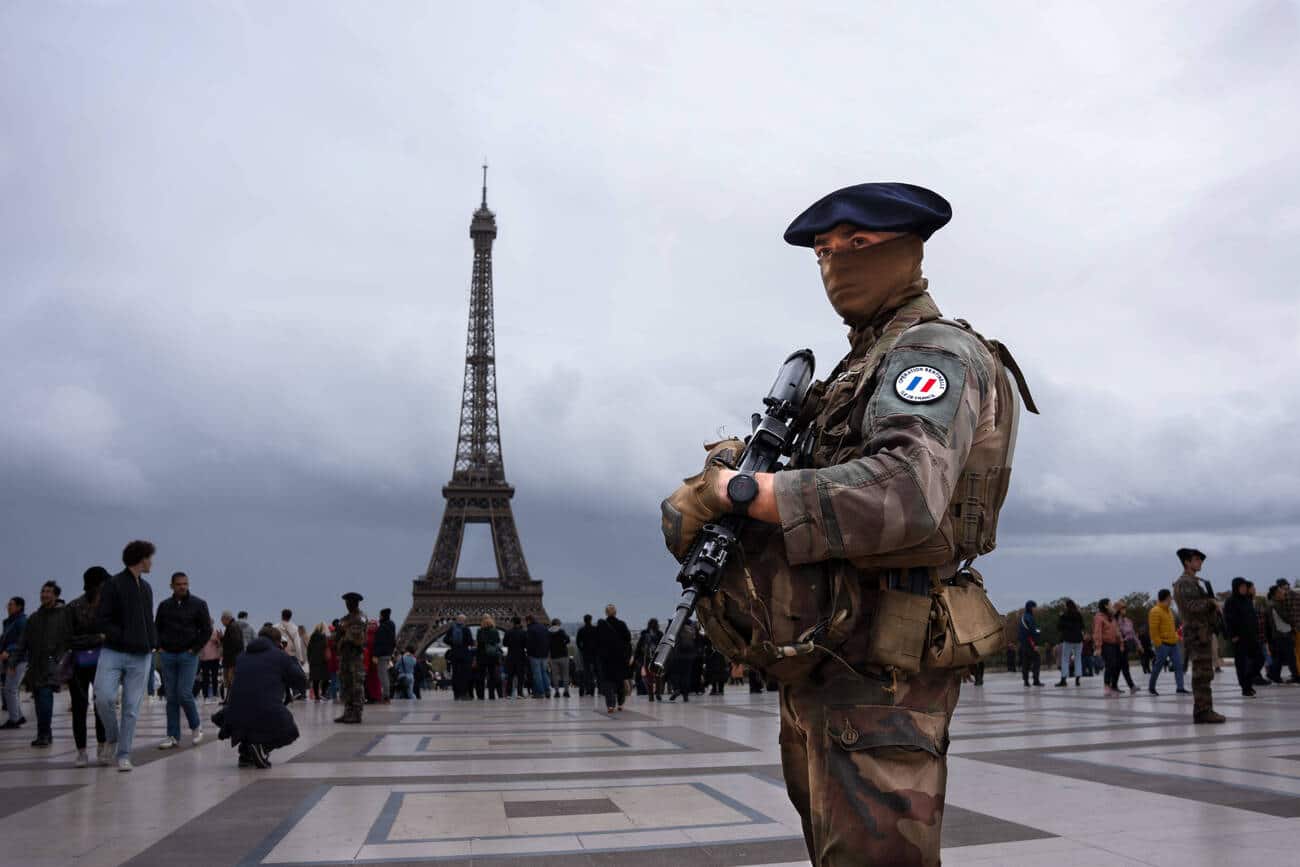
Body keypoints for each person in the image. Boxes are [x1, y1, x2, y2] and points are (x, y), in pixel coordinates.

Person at [657, 182, 1036, 865]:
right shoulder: (863, 361)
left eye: (857, 246)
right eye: (824, 251)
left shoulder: (932, 355)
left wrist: (744, 490)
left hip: (881, 677)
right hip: (832, 663)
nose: (837, 263)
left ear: (907, 250)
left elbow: (907, 488)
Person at [94, 540, 159, 771]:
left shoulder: (147, 587)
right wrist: (122, 636)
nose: (151, 562)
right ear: (141, 559)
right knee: (103, 697)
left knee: (131, 708)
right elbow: (101, 619)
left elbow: (148, 620)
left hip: (141, 655)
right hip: (113, 652)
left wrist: (153, 642)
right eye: (149, 558)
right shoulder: (114, 584)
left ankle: (124, 753)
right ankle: (112, 736)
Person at [213, 625, 306, 768]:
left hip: (233, 714)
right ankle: (263, 747)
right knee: (290, 730)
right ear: (277, 642)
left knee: (249, 714)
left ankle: (246, 754)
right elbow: (302, 681)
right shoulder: (280, 656)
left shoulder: (242, 657)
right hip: (265, 711)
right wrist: (290, 659)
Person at [154, 571, 212, 749]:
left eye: (185, 584)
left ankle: (196, 727)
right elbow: (157, 628)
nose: (182, 587)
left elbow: (206, 630)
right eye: (179, 584)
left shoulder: (198, 604)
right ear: (172, 586)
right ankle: (172, 735)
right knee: (171, 695)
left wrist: (194, 649)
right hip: (168, 654)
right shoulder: (164, 606)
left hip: (188, 655)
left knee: (184, 693)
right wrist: (159, 647)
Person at [1172, 548, 1226, 723]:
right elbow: (1192, 606)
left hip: (1202, 631)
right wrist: (1210, 602)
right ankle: (1203, 711)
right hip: (1196, 633)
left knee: (1205, 673)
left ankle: (1204, 709)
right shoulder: (1184, 583)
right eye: (1196, 559)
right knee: (1201, 674)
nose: (1199, 562)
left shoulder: (1195, 582)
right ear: (1187, 562)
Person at [67, 567, 109, 766]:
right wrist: (97, 638)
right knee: (79, 707)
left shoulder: (109, 606)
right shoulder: (74, 606)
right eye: (102, 583)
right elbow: (69, 639)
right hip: (78, 664)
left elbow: (112, 634)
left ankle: (102, 746)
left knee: (101, 704)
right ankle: (81, 751)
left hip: (103, 662)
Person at [20, 580, 69, 747]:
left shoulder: (63, 615)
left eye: (48, 592)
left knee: (46, 697)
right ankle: (44, 733)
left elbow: (67, 638)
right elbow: (23, 641)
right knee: (39, 701)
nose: (44, 594)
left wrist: (57, 658)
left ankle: (45, 735)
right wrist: (14, 661)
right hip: (35, 665)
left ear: (55, 595)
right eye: (43, 591)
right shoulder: (34, 617)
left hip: (52, 663)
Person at [1225, 578, 1264, 696]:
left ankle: (1248, 681)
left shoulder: (1247, 600)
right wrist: (1233, 635)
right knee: (1241, 664)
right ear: (1236, 587)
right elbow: (1228, 620)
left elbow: (1252, 617)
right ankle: (1245, 687)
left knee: (1260, 659)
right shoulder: (1231, 601)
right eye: (1241, 586)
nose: (1244, 588)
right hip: (1239, 638)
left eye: (1244, 586)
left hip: (1251, 637)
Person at [334, 592, 367, 724]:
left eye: (350, 603)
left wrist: (343, 637)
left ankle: (357, 712)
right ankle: (348, 711)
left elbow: (355, 637)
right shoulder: (345, 619)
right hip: (345, 656)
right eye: (346, 603)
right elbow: (339, 636)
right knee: (346, 684)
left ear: (356, 603)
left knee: (356, 684)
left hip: (354, 657)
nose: (347, 605)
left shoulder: (360, 618)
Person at [594, 604, 631, 714]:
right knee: (620, 681)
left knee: (608, 682)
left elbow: (597, 643)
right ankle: (620, 703)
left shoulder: (601, 626)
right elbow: (628, 639)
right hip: (620, 658)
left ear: (606, 613)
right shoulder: (621, 624)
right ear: (615, 612)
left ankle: (610, 705)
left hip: (606, 659)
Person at [1, 596, 28, 728]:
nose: (8, 607)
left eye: (11, 604)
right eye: (8, 604)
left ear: (19, 607)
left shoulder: (22, 621)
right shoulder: (9, 622)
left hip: (19, 659)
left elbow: (23, 640)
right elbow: (5, 639)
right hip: (11, 660)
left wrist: (9, 650)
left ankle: (14, 719)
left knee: (10, 689)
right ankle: (19, 716)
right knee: (11, 689)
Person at [1265, 585, 1297, 684]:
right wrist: (1294, 621)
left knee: (1279, 657)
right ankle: (1296, 676)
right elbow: (1286, 618)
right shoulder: (1276, 605)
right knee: (1290, 656)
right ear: (1275, 595)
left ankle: (1273, 675)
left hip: (1279, 635)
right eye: (1280, 592)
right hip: (1282, 634)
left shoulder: (1274, 604)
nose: (1283, 593)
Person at [1093, 598, 1122, 697]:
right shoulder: (1099, 617)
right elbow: (1097, 632)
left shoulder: (1112, 617)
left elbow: (1116, 630)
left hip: (1115, 644)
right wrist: (1098, 646)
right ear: (1105, 606)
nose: (1112, 605)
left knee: (1115, 665)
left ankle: (1112, 686)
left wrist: (1121, 642)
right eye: (1110, 604)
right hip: (1105, 644)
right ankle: (1107, 686)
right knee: (1110, 664)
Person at [445, 614, 476, 700]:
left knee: (455, 674)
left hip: (454, 653)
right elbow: (470, 642)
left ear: (457, 620)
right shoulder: (466, 629)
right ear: (464, 620)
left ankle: (456, 694)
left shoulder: (452, 629)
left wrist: (452, 643)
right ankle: (464, 694)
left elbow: (445, 639)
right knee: (464, 675)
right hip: (464, 654)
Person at [1055, 598, 1084, 687]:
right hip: (1078, 639)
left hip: (1068, 639)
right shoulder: (1078, 614)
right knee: (1078, 659)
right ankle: (1077, 679)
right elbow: (1083, 626)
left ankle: (1063, 680)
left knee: (1065, 659)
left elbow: (1059, 627)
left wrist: (1061, 617)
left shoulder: (1065, 615)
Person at [667, 616, 698, 701]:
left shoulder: (675, 625)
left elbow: (668, 638)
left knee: (674, 673)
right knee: (686, 675)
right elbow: (696, 640)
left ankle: (676, 688)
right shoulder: (691, 626)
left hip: (677, 654)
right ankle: (685, 695)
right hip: (689, 655)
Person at [634, 618, 664, 701]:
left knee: (649, 677)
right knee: (658, 676)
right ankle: (658, 693)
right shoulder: (660, 634)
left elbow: (639, 648)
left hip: (647, 659)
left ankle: (651, 695)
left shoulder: (644, 634)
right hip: (658, 658)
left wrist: (636, 659)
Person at [474, 614, 503, 700]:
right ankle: (491, 695)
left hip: (482, 656)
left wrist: (476, 657)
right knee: (492, 676)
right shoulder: (495, 631)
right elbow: (497, 641)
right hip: (492, 656)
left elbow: (479, 644)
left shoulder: (480, 631)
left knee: (481, 676)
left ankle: (481, 695)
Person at [1113, 600, 1139, 693]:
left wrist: (1138, 645)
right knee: (1124, 666)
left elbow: (1133, 634)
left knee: (1119, 667)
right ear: (1119, 610)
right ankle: (1131, 686)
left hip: (1125, 645)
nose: (1125, 610)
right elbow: (1118, 633)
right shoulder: (1114, 621)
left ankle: (1114, 686)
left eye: (1125, 608)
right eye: (1123, 608)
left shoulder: (1128, 620)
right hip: (1118, 646)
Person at [372, 608, 397, 703]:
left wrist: (375, 654)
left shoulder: (383, 627)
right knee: (385, 675)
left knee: (382, 676)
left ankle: (386, 696)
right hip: (388, 653)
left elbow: (379, 642)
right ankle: (386, 695)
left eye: (380, 615)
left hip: (382, 655)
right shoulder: (391, 625)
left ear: (382, 615)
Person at [524, 613, 551, 698]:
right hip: (544, 654)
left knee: (537, 674)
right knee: (544, 672)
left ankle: (540, 692)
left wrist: (528, 652)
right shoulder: (543, 627)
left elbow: (529, 643)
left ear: (528, 621)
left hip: (534, 654)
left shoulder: (530, 629)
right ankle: (547, 690)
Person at [219, 611, 244, 699]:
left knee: (231, 680)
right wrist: (222, 638)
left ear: (226, 619)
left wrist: (223, 640)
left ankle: (231, 699)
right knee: (229, 680)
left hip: (232, 659)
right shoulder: (232, 626)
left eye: (222, 620)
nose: (221, 622)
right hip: (231, 658)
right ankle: (228, 699)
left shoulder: (232, 627)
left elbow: (235, 643)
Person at [503, 616, 527, 699]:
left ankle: (509, 694)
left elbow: (504, 643)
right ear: (520, 622)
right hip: (520, 655)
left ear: (513, 623)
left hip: (511, 656)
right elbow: (526, 644)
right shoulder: (523, 632)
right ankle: (520, 693)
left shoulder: (508, 632)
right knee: (520, 676)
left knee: (510, 676)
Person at [1020, 601, 1043, 687]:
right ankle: (1036, 680)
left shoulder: (1023, 617)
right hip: (1030, 643)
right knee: (1037, 661)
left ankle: (1026, 681)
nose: (1035, 609)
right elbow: (1033, 631)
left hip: (1024, 643)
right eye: (1034, 607)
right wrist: (1035, 644)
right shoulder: (1030, 617)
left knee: (1026, 663)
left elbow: (1022, 632)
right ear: (1030, 607)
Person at [198, 622, 222, 702]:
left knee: (214, 677)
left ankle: (214, 694)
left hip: (215, 658)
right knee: (205, 678)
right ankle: (205, 696)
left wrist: (217, 640)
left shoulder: (216, 632)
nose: (210, 625)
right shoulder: (201, 633)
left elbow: (219, 644)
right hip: (204, 658)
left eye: (211, 623)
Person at [548, 618, 571, 698]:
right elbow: (568, 639)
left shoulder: (548, 632)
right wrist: (563, 643)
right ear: (558, 623)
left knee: (555, 675)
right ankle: (566, 691)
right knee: (565, 674)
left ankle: (557, 691)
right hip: (563, 655)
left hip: (553, 656)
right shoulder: (561, 631)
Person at [576, 614, 598, 697]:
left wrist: (582, 649)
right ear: (591, 619)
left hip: (585, 654)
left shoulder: (581, 630)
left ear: (584, 620)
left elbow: (578, 642)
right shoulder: (595, 629)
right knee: (592, 673)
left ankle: (585, 689)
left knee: (586, 672)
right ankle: (592, 690)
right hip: (594, 654)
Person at [306, 623, 328, 701]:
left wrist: (309, 659)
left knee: (315, 679)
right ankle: (323, 694)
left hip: (313, 661)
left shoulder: (312, 637)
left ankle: (317, 696)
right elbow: (325, 649)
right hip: (322, 661)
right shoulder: (324, 638)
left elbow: (308, 650)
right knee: (325, 678)